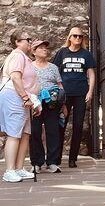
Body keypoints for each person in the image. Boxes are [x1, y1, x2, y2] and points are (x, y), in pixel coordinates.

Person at [52, 27, 96, 168]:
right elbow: (54, 71)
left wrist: (90, 91)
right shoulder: (62, 53)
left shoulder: (86, 54)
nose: (78, 38)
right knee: (61, 125)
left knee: (78, 126)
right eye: (75, 36)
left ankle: (72, 158)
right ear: (70, 37)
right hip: (64, 94)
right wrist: (58, 89)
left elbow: (91, 74)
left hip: (80, 93)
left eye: (80, 36)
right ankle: (56, 158)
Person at [0, 29, 41, 182]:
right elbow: (16, 78)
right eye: (27, 39)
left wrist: (31, 100)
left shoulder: (24, 57)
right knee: (14, 133)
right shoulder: (17, 56)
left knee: (24, 134)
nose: (30, 42)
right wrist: (25, 98)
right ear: (17, 42)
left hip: (23, 99)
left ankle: (18, 168)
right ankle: (9, 170)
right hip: (15, 97)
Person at [30, 39, 64, 173]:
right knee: (35, 132)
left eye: (46, 48)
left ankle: (52, 162)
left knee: (53, 131)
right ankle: (36, 162)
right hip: (35, 103)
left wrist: (63, 105)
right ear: (34, 52)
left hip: (52, 102)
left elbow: (60, 86)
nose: (45, 50)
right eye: (41, 48)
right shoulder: (29, 67)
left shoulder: (53, 67)